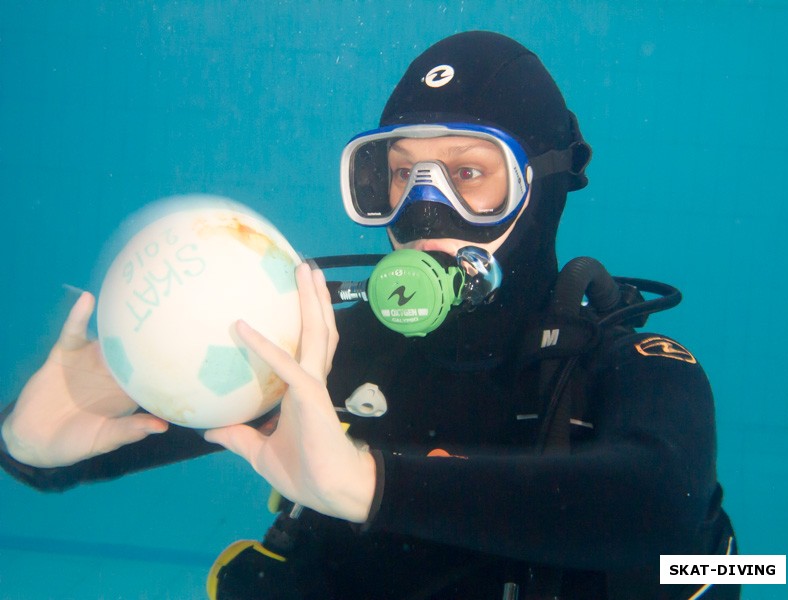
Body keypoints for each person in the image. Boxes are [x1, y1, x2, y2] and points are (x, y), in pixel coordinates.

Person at [0, 31, 738, 599]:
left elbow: (659, 506)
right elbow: (111, 439)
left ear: (545, 185)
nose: (424, 209)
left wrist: (363, 485)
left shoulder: (615, 363)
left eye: (470, 174)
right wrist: (31, 444)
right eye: (396, 175)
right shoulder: (327, 353)